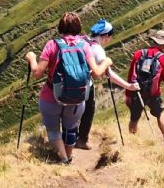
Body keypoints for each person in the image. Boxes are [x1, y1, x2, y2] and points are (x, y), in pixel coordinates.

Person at [24, 12, 112, 164]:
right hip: (77, 98)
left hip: (51, 96)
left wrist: (31, 58)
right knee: (71, 129)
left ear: (60, 28)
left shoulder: (52, 45)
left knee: (53, 130)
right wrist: (107, 62)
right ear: (78, 27)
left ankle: (64, 159)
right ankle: (68, 157)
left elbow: (37, 73)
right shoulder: (84, 45)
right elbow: (97, 73)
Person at [76, 19, 140, 150]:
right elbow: (108, 73)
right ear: (105, 36)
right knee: (88, 110)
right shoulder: (97, 49)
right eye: (109, 36)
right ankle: (82, 140)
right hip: (84, 83)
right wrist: (128, 86)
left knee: (73, 109)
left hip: (70, 80)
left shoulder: (83, 40)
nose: (110, 39)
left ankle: (68, 137)